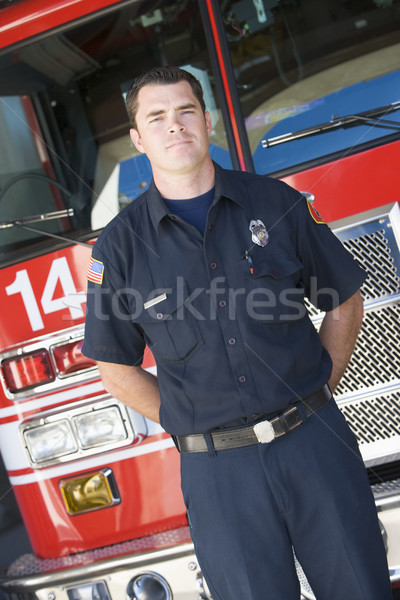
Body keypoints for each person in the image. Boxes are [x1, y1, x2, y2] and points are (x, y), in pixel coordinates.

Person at [82, 66, 392, 599]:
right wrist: (195, 420)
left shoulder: (276, 203)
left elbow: (344, 300)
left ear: (208, 120)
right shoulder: (119, 250)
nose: (174, 126)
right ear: (137, 139)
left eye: (185, 111)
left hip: (315, 446)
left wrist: (317, 391)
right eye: (156, 117)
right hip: (218, 474)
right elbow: (116, 368)